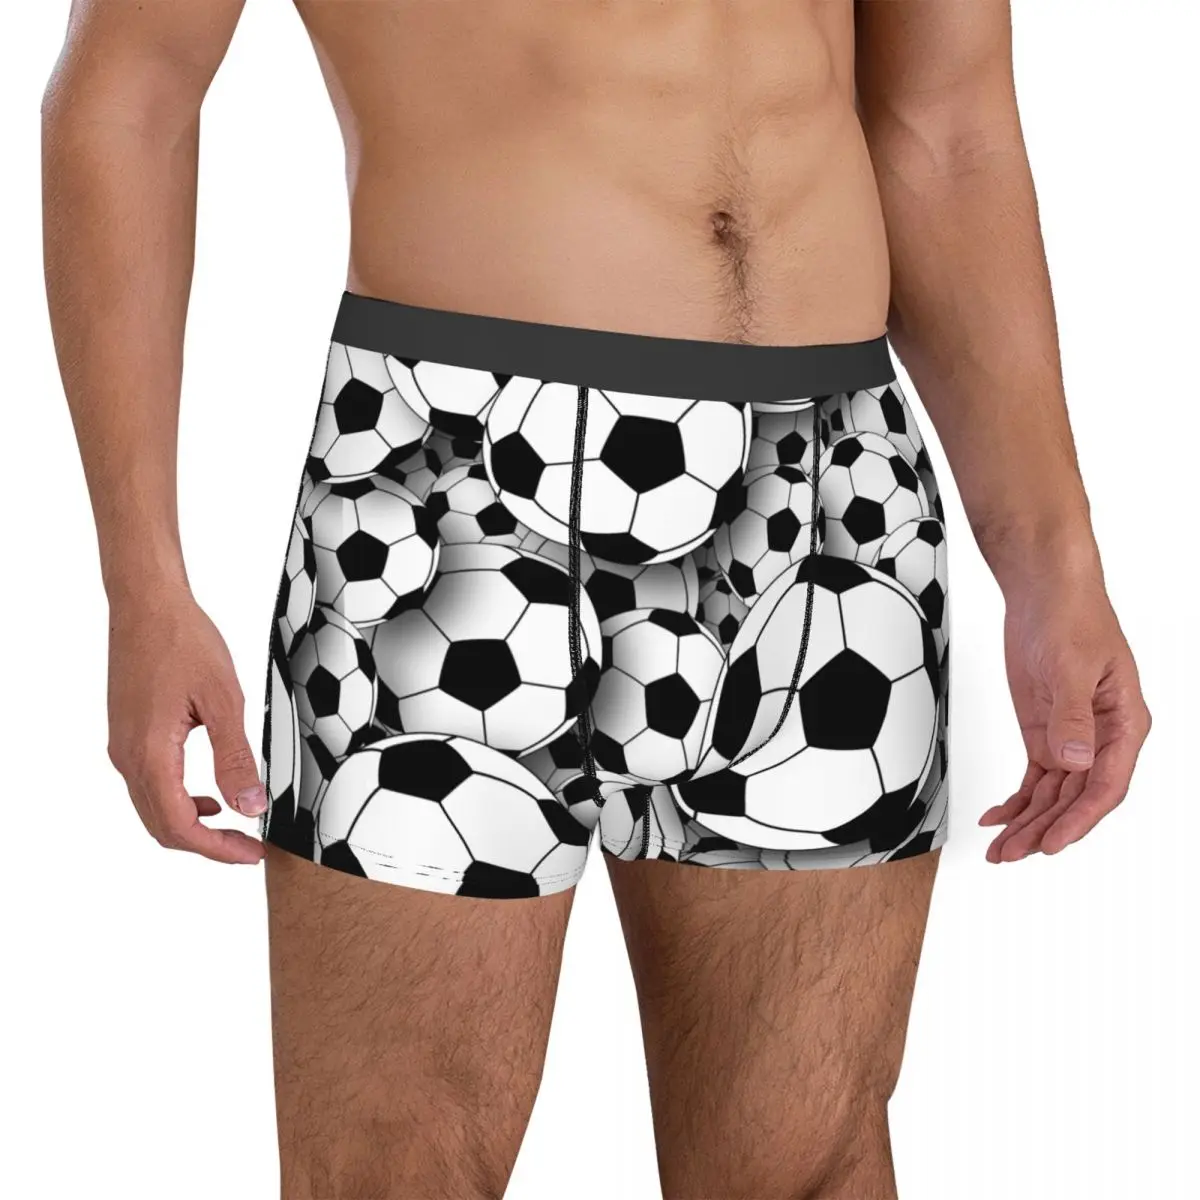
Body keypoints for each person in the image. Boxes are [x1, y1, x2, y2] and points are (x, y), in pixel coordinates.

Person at [42, 1, 1150, 1196]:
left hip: (831, 479)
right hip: (449, 481)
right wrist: (142, 582)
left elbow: (947, 127)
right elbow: (128, 95)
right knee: (395, 1170)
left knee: (812, 1162)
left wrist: (1054, 561)